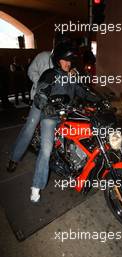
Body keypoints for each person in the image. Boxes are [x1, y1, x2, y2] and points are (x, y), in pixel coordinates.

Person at [30, 43, 101, 203]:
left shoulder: (72, 75)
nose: (68, 63)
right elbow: (40, 94)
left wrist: (101, 99)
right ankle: (36, 186)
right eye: (64, 60)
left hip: (70, 113)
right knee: (46, 149)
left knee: (92, 129)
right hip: (51, 116)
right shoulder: (50, 74)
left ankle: (81, 164)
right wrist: (46, 105)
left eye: (70, 60)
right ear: (57, 60)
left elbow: (84, 92)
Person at [7, 33, 71, 173]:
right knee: (29, 128)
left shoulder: (67, 62)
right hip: (40, 100)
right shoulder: (43, 56)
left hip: (57, 103)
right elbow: (31, 71)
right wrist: (43, 85)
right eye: (61, 43)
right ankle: (14, 158)